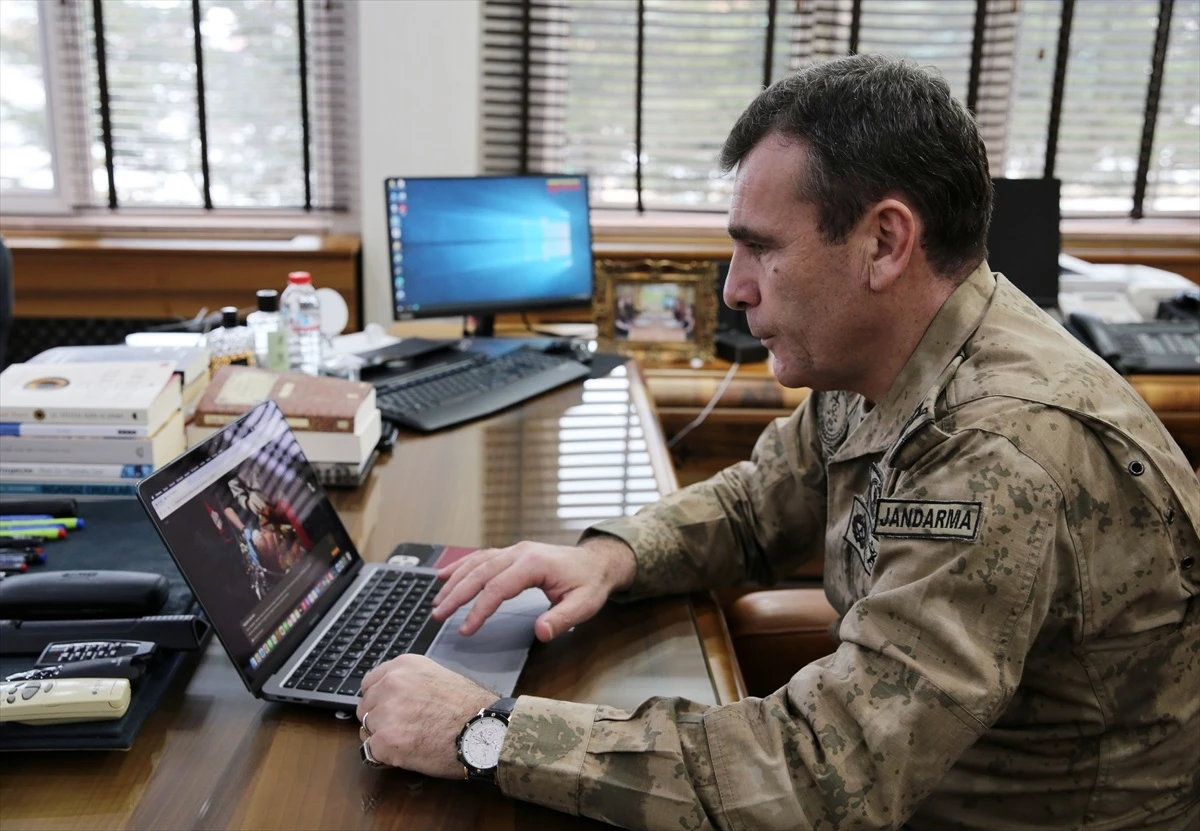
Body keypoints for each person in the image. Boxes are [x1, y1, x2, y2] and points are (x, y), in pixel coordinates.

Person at [355, 54, 1200, 830]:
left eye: (761, 249)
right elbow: (760, 504)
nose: (735, 287)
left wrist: (485, 734)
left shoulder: (998, 453)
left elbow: (826, 775)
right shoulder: (885, 353)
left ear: (884, 242)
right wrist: (608, 556)